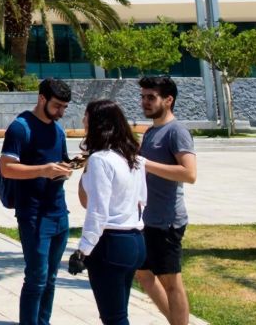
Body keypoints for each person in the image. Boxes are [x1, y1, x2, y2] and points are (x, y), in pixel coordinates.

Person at [0, 78, 76, 325]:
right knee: (36, 278)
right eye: (57, 106)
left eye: (64, 107)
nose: (61, 112)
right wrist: (43, 170)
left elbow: (59, 162)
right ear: (42, 98)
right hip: (33, 215)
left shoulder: (58, 130)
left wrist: (67, 168)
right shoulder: (21, 127)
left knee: (51, 278)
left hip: (59, 213)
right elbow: (7, 168)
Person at [72, 99, 147, 325]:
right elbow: (142, 200)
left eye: (87, 116)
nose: (83, 121)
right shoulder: (134, 157)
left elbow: (97, 210)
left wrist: (83, 250)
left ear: (97, 123)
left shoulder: (100, 160)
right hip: (135, 240)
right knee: (118, 313)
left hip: (111, 243)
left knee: (113, 318)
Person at [136, 76, 197, 325]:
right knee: (143, 274)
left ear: (168, 100)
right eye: (143, 97)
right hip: (148, 219)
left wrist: (146, 164)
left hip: (168, 221)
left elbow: (189, 173)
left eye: (151, 97)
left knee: (172, 282)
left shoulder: (176, 132)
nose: (145, 102)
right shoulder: (151, 132)